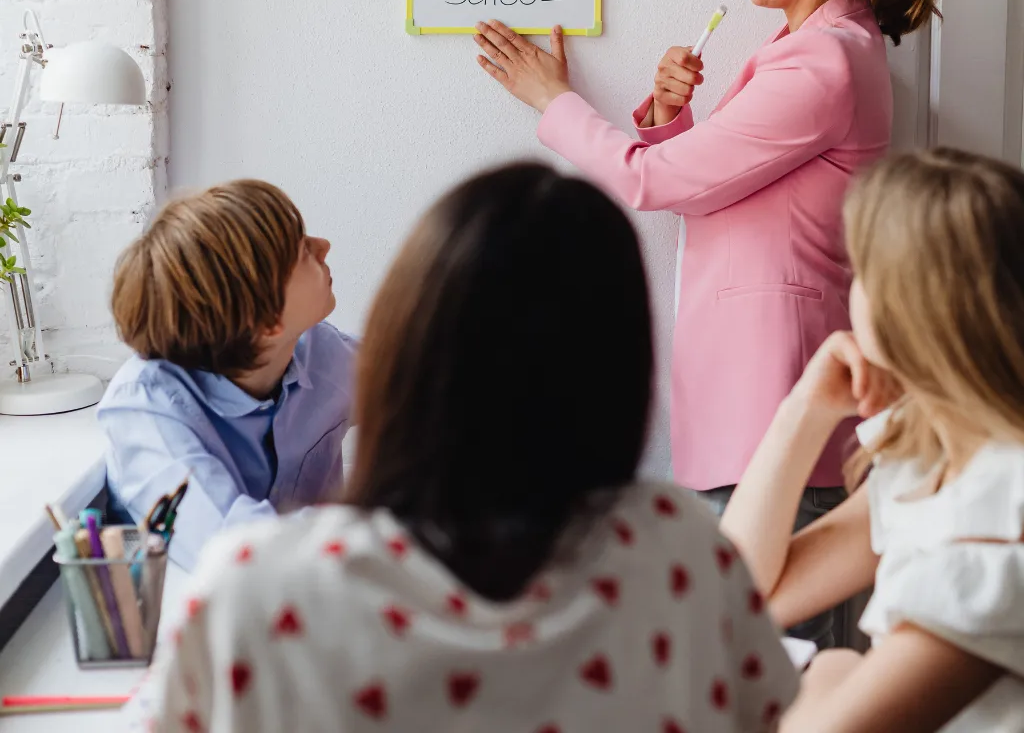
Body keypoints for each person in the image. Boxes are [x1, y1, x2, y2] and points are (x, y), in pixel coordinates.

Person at [474, 0, 938, 646]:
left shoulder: (822, 64)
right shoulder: (809, 50)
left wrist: (551, 101)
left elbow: (654, 185)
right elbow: (709, 190)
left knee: (771, 671)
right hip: (752, 411)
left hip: (776, 414)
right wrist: (671, 115)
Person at [144, 164, 797, 732]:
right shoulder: (680, 546)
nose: (324, 247)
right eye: (301, 252)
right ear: (624, 368)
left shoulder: (255, 587)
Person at [721, 149, 1024, 732]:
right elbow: (737, 597)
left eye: (861, 274)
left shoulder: (1004, 507)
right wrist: (803, 412)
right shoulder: (930, 453)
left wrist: (834, 677)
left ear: (912, 311)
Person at [98, 179, 357, 571]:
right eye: (302, 251)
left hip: (316, 604)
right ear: (267, 320)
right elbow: (240, 555)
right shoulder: (146, 410)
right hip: (194, 622)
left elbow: (435, 385)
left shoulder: (318, 349)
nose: (323, 246)